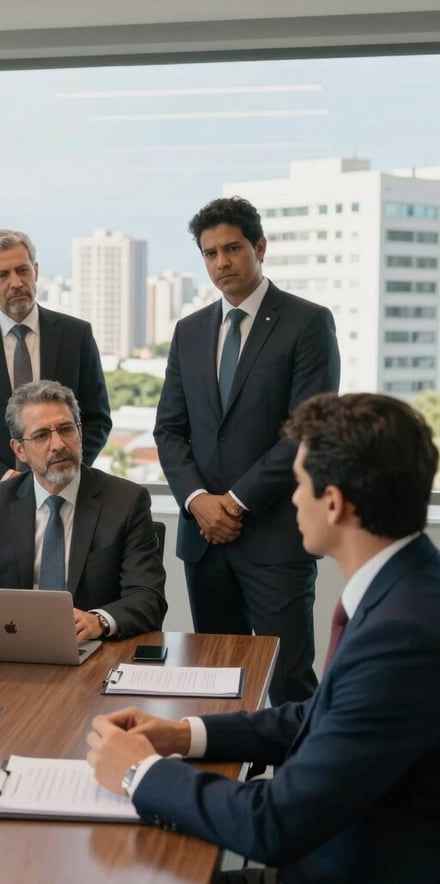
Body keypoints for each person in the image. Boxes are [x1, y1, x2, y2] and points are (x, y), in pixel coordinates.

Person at [87, 392, 440, 883]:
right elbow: (320, 716)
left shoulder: (402, 636)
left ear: (334, 503)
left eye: (299, 484)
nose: (294, 498)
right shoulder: (408, 589)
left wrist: (138, 772)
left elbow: (271, 822)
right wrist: (184, 735)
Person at [154, 196, 340, 705]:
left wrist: (233, 502)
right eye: (210, 253)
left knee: (288, 683)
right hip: (204, 541)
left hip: (274, 538)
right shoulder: (188, 331)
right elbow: (168, 430)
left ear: (259, 247)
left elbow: (308, 430)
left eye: (233, 248)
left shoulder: (307, 323)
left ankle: (302, 784)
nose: (222, 263)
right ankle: (230, 783)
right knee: (215, 679)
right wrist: (198, 501)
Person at [0, 380, 166, 640]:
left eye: (66, 429)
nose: (58, 444)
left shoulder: (126, 501)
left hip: (94, 650)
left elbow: (148, 597)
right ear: (19, 450)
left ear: (80, 434)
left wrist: (99, 621)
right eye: (41, 435)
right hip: (16, 648)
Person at [0, 229, 112, 546]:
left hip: (65, 497)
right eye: (2, 275)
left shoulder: (76, 336)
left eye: (22, 270)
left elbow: (97, 419)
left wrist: (60, 473)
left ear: (36, 271)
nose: (15, 282)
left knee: (61, 593)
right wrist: (7, 480)